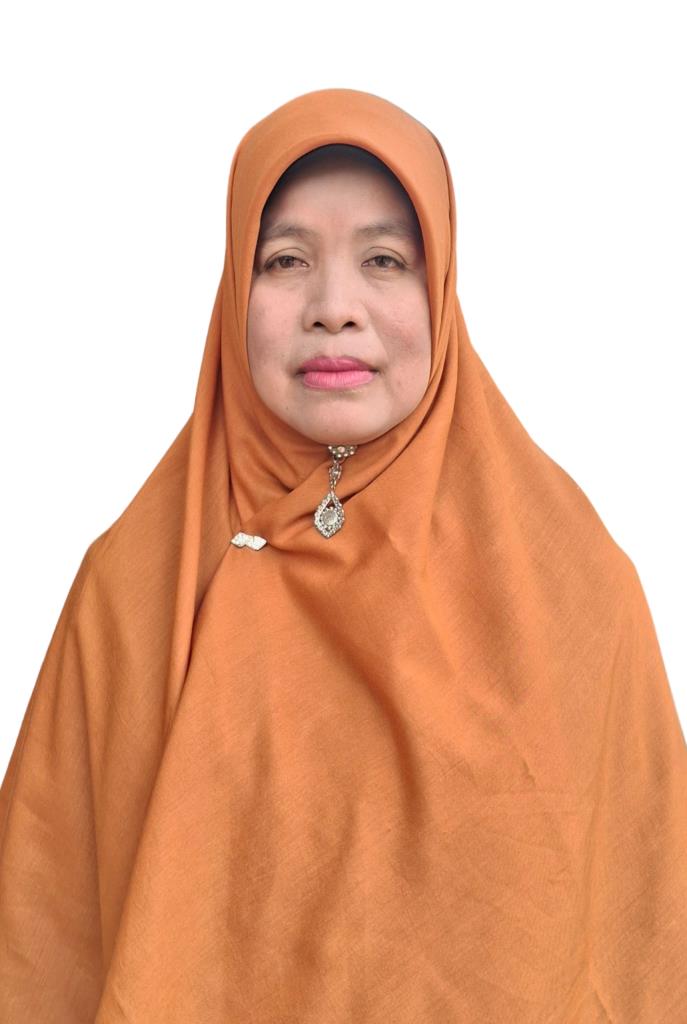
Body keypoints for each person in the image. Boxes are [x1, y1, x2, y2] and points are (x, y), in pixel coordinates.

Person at [1, 87, 685, 1022]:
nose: (333, 309)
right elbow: (43, 938)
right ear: (232, 291)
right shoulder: (131, 588)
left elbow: (637, 938)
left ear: (441, 288)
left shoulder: (572, 589)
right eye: (285, 260)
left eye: (384, 260)